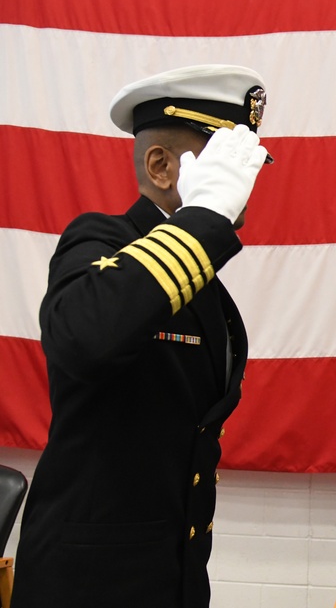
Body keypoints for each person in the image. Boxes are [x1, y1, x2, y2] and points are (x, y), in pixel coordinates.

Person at [11, 64, 271, 608]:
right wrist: (202, 217)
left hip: (169, 572)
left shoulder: (200, 280)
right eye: (228, 160)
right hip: (90, 577)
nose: (246, 181)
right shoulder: (100, 239)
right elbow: (85, 337)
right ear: (160, 166)